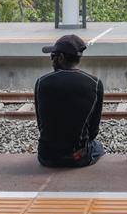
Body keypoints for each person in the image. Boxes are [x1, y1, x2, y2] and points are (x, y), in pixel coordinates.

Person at [34, 35, 105, 167]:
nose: (51, 60)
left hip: (46, 157)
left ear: (60, 58)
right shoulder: (95, 83)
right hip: (77, 158)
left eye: (52, 56)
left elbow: (41, 126)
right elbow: (93, 132)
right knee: (98, 146)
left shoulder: (41, 82)